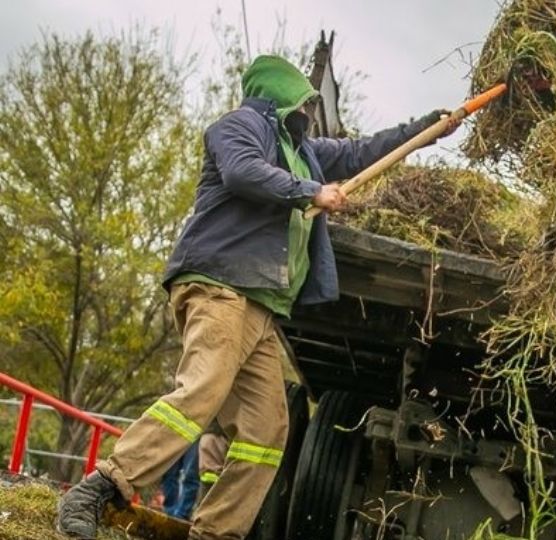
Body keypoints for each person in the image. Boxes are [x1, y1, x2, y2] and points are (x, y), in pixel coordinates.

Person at [56, 54, 458, 539]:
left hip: (261, 305)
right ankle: (101, 490)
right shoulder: (239, 126)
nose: (310, 111)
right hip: (220, 284)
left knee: (267, 431)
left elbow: (358, 153)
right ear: (279, 94)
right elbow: (243, 173)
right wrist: (312, 193)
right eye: (304, 102)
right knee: (202, 390)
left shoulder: (302, 149)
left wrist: (425, 129)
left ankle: (216, 533)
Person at [160, 441, 200, 520]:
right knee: (169, 473)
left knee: (190, 476)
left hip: (198, 436)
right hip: (178, 435)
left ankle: (180, 516)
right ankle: (169, 512)